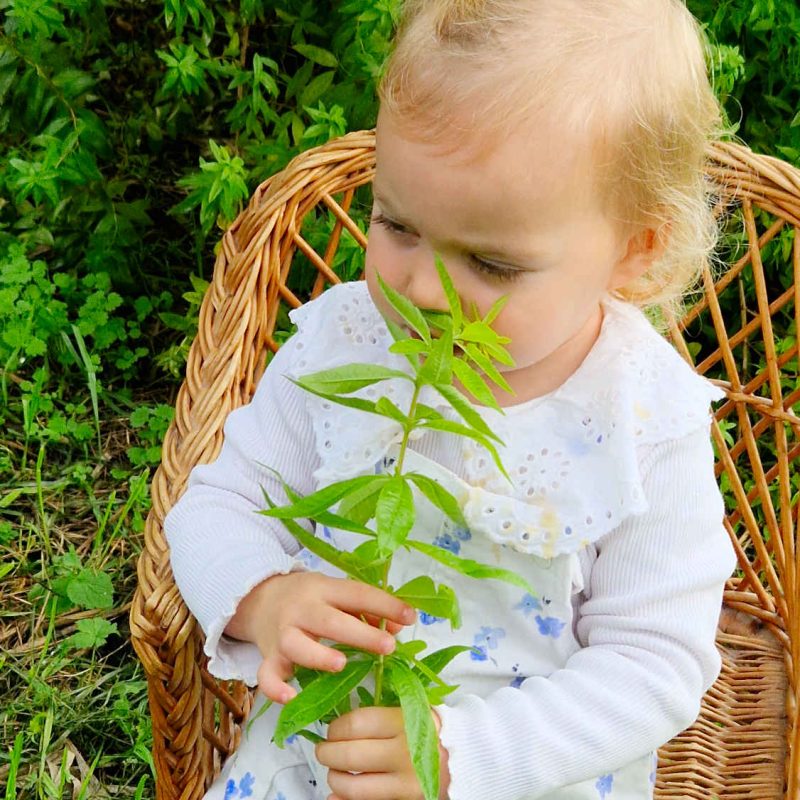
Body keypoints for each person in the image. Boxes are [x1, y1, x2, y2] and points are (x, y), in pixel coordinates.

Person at [164, 1, 738, 798]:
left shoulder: (644, 418)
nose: (423, 290)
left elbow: (655, 665)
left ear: (635, 252)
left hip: (525, 766)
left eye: (492, 266)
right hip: (324, 747)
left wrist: (460, 757)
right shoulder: (345, 346)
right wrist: (262, 597)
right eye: (396, 225)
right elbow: (217, 504)